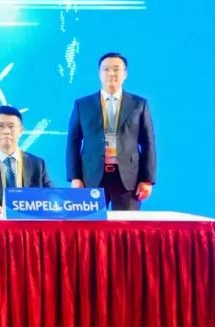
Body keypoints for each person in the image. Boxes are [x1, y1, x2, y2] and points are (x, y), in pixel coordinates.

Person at [66, 52, 156, 211]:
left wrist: (147, 179)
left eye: (116, 69)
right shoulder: (82, 105)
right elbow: (73, 143)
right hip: (91, 177)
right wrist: (75, 177)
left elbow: (148, 143)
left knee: (126, 226)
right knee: (90, 225)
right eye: (106, 69)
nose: (111, 73)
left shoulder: (139, 104)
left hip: (128, 178)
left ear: (125, 74)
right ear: (99, 73)